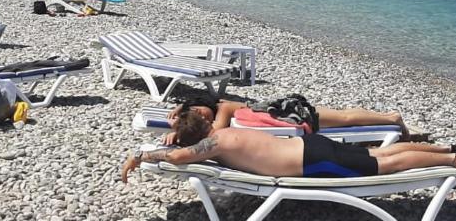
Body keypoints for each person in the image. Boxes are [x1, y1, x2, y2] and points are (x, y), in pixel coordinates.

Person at [121, 112, 456, 197]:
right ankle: (447, 149)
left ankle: (454, 161)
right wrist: (178, 136)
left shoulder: (216, 145)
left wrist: (141, 154)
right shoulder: (224, 132)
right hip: (312, 147)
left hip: (315, 163)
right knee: (377, 154)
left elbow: (178, 158)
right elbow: (192, 141)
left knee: (386, 164)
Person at [161, 96, 410, 144]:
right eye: (197, 117)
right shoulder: (218, 110)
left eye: (200, 112)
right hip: (283, 115)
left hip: (290, 114)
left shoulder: (223, 109)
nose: (202, 116)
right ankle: (387, 117)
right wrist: (181, 113)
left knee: (345, 117)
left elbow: (210, 131)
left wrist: (178, 131)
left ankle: (390, 118)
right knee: (343, 116)